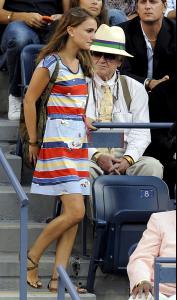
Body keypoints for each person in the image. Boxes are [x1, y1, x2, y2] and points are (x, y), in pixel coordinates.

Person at [23, 7, 97, 292]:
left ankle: (58, 279)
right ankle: (32, 257)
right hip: (56, 143)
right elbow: (30, 101)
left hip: (78, 143)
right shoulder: (50, 62)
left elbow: (76, 105)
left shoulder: (84, 62)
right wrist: (33, 141)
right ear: (71, 30)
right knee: (76, 211)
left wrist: (85, 118)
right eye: (88, 31)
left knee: (74, 217)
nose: (93, 36)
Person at [86, 24, 163, 181]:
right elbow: (73, 132)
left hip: (124, 154)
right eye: (96, 53)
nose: (101, 60)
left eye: (109, 56)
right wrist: (97, 155)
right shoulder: (78, 85)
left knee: (152, 167)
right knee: (83, 171)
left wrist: (128, 160)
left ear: (120, 61)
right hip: (89, 154)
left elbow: (142, 133)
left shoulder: (135, 88)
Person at [0, 0, 69, 121]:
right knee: (20, 38)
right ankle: (15, 94)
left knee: (70, 34)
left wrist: (63, 17)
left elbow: (70, 13)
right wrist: (22, 16)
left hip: (50, 25)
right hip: (18, 25)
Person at [127, 210, 176, 300]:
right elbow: (141, 258)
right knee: (141, 297)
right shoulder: (160, 220)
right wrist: (142, 280)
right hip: (158, 291)